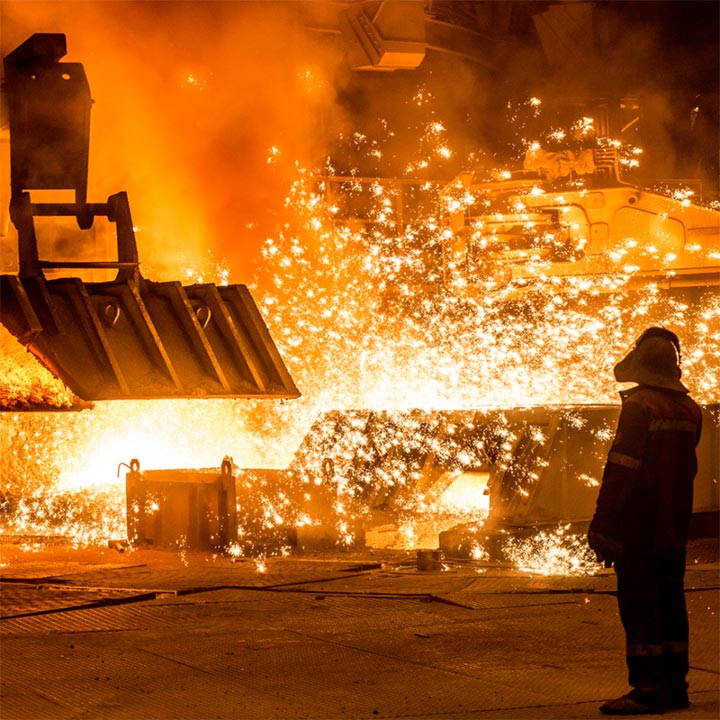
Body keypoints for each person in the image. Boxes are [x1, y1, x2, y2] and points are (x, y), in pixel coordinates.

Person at [588, 327, 703, 716]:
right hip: (674, 524)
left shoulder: (641, 405)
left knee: (639, 604)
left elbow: (621, 469)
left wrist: (603, 526)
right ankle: (674, 686)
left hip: (639, 523)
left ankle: (648, 689)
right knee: (670, 602)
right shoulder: (690, 410)